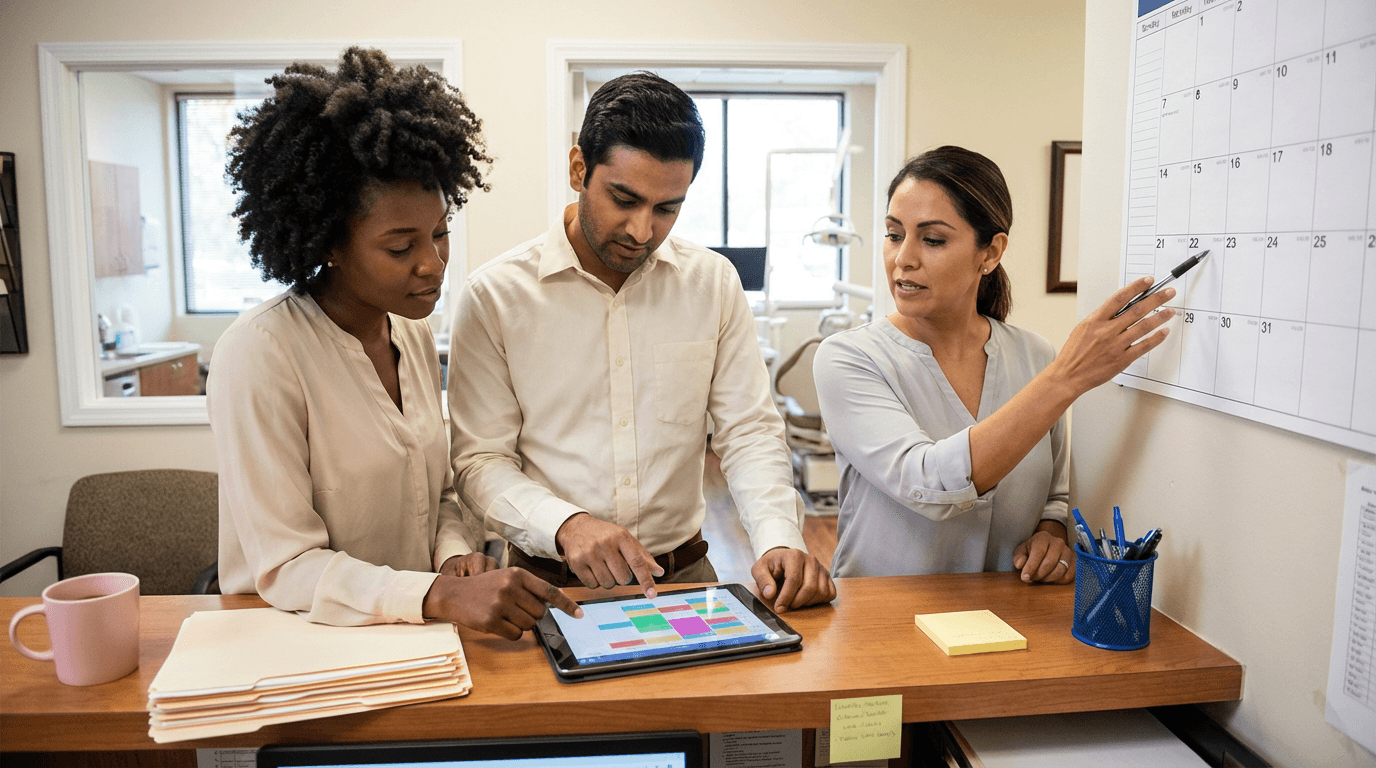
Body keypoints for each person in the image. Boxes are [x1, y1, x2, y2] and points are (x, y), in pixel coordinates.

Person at [209, 46, 581, 637]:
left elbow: (433, 494)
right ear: (330, 243)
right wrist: (436, 594)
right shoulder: (259, 354)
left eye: (440, 234)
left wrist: (451, 555)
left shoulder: (408, 328)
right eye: (401, 247)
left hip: (410, 635)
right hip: (296, 642)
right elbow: (285, 567)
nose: (434, 266)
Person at [448, 72, 836, 613]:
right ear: (578, 168)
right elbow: (480, 461)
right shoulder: (495, 297)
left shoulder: (713, 283)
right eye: (624, 199)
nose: (641, 230)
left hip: (686, 577)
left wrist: (779, 538)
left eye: (666, 209)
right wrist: (568, 524)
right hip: (548, 587)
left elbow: (747, 430)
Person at [813, 146, 1174, 583]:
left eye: (932, 239)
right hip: (883, 622)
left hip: (1008, 624)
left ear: (990, 252)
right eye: (894, 234)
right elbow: (928, 484)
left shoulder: (1035, 357)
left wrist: (1051, 532)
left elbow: (1054, 495)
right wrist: (1065, 379)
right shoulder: (849, 358)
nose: (903, 258)